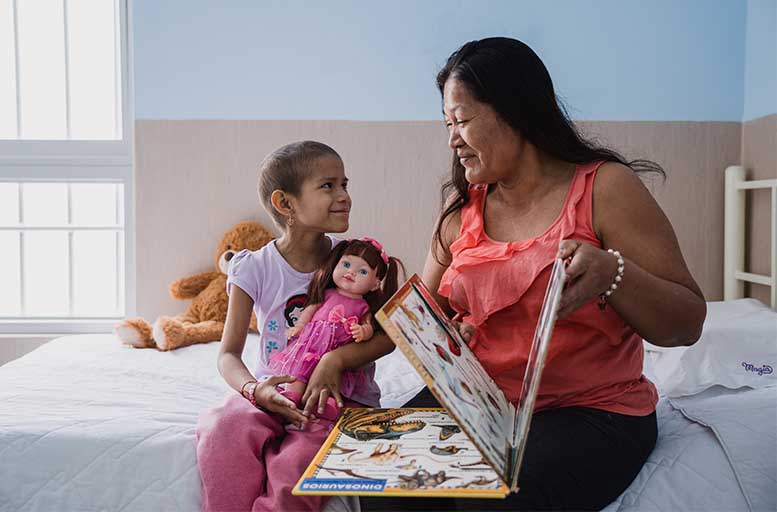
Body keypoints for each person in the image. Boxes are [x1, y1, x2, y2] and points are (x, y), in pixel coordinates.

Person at [363, 37, 706, 511]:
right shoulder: (462, 208)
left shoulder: (605, 188)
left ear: (517, 112)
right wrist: (344, 348)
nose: (452, 140)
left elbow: (688, 322)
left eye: (461, 121)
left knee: (493, 500)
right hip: (480, 400)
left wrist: (614, 273)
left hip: (590, 411)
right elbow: (429, 312)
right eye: (447, 124)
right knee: (384, 484)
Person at [196, 140, 396, 512]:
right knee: (223, 430)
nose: (344, 196)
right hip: (274, 389)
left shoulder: (352, 261)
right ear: (285, 204)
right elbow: (227, 355)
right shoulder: (253, 267)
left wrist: (333, 360)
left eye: (345, 185)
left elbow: (387, 337)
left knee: (296, 467)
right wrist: (254, 391)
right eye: (328, 186)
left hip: (335, 399)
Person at [269, 237, 403, 415]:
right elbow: (309, 311)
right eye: (346, 265)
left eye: (362, 271)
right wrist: (299, 326)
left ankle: (327, 405)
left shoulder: (364, 307)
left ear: (375, 284)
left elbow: (368, 326)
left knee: (333, 379)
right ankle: (290, 397)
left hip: (338, 350)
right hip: (312, 345)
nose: (351, 273)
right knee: (299, 371)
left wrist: (363, 332)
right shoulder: (327, 294)